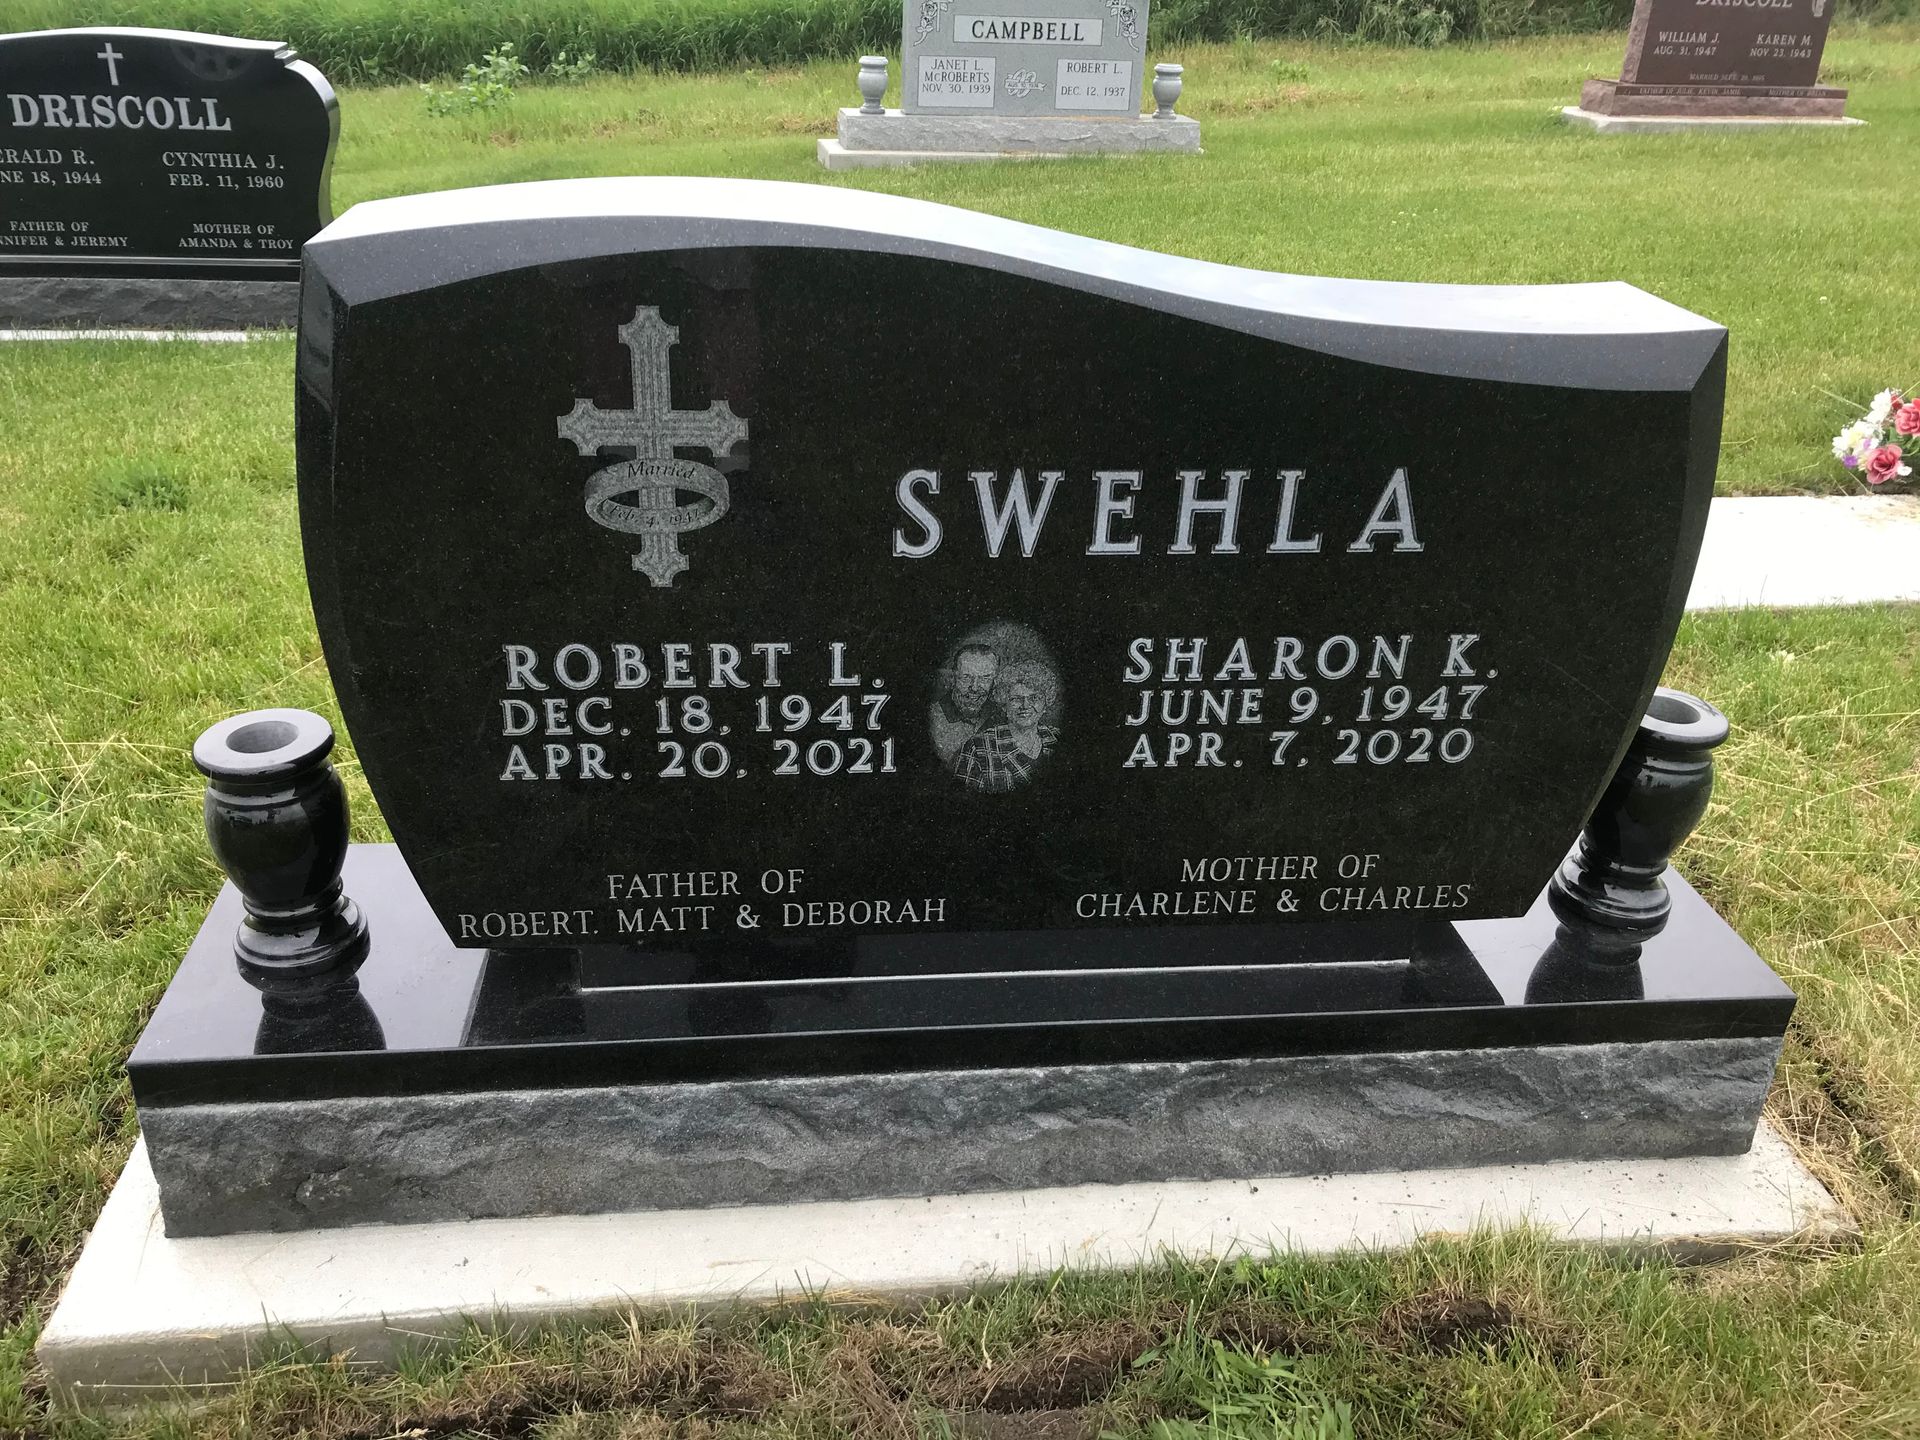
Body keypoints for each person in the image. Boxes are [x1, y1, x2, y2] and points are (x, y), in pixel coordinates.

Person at [953, 662, 1059, 793]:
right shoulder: (977, 747)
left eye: (1034, 698)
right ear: (1004, 704)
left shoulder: (1056, 737)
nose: (1025, 706)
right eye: (1016, 699)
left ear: (1045, 704)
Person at [930, 643, 1004, 767]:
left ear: (995, 680)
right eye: (966, 677)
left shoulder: (1003, 716)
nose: (974, 687)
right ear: (953, 677)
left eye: (985, 678)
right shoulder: (932, 718)